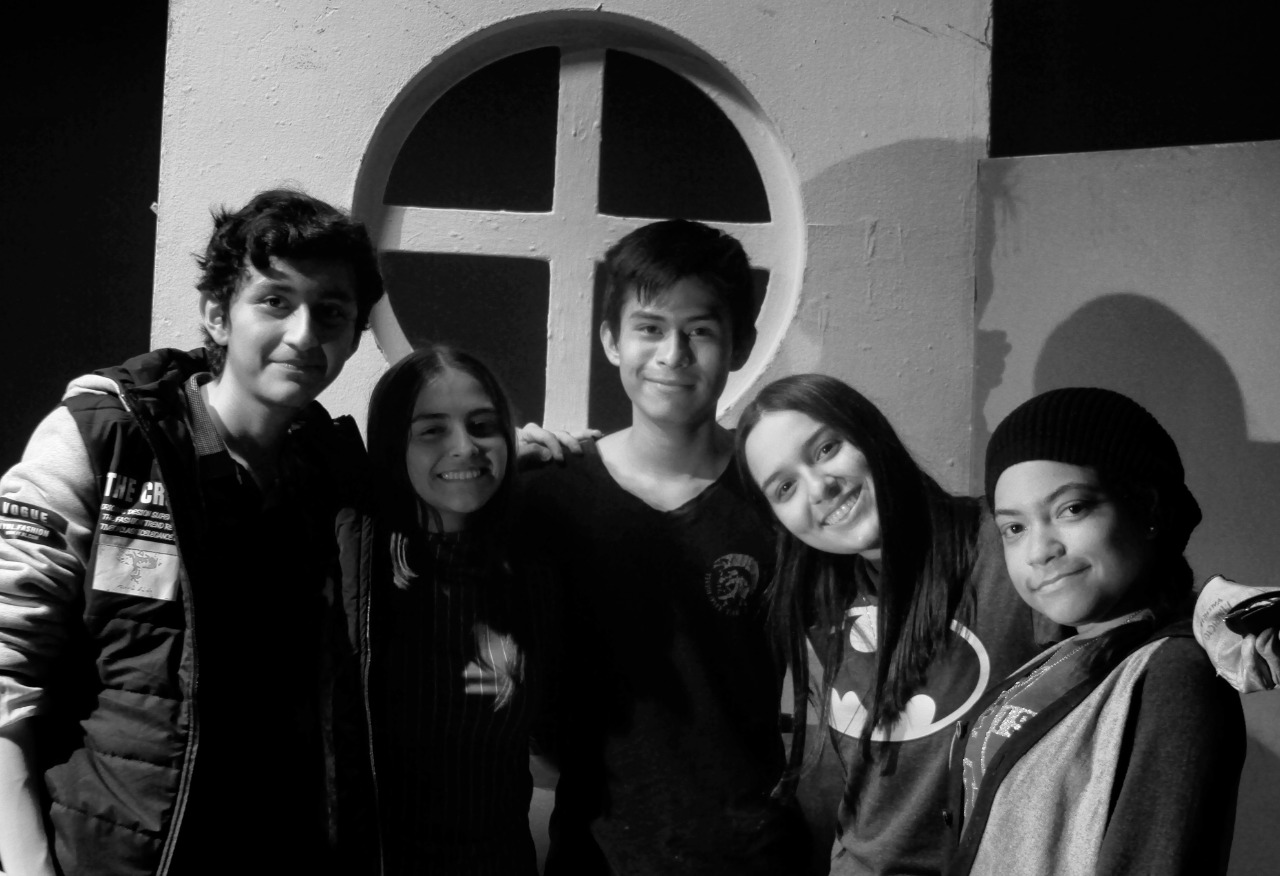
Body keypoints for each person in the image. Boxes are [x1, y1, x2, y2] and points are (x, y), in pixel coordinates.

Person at [0, 189, 383, 876]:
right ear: (216, 314)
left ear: (354, 337)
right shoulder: (105, 441)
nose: (304, 334)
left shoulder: (332, 479)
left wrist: (518, 461)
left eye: (330, 312)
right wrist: (27, 867)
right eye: (275, 301)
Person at [523, 219, 808, 875]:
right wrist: (496, 455)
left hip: (750, 854)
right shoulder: (551, 493)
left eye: (699, 331)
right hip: (593, 852)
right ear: (610, 340)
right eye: (649, 328)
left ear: (740, 345)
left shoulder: (777, 497)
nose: (673, 354)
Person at [944, 387, 1244, 875]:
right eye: (1014, 528)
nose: (1040, 551)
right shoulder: (1058, 658)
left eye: (1071, 509)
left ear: (1148, 508)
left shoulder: (1174, 674)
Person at [366, 345, 559, 874]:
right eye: (432, 430)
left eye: (482, 426)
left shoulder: (533, 566)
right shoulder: (358, 567)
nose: (465, 446)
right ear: (393, 444)